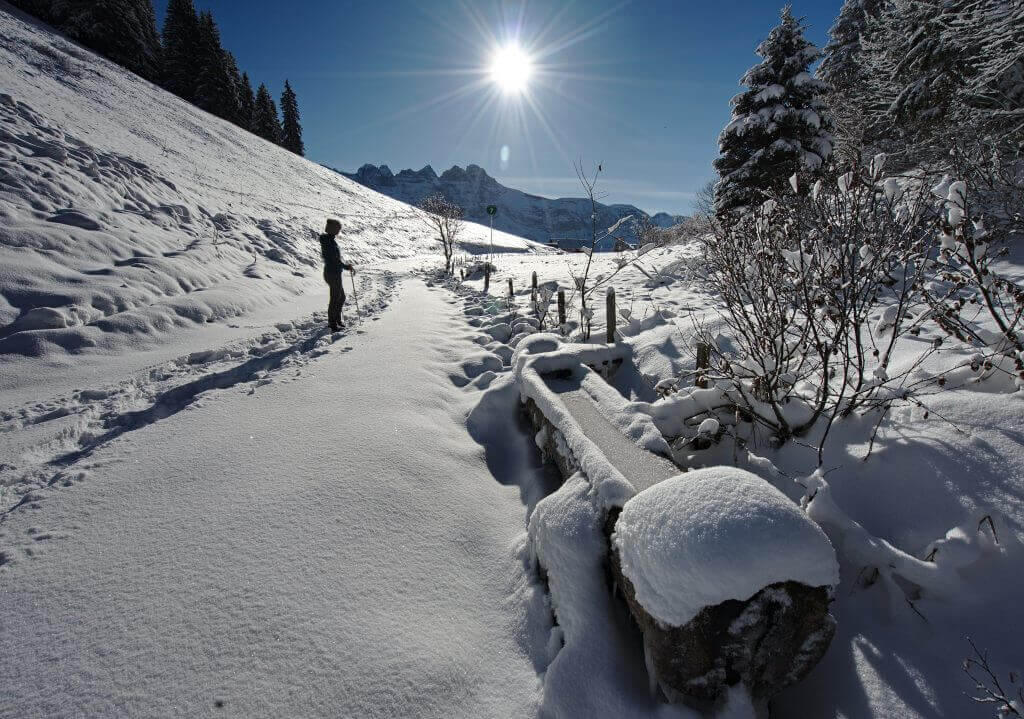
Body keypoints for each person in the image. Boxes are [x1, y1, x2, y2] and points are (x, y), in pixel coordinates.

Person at [319, 218, 355, 331]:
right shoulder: (328, 241)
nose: (339, 230)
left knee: (341, 297)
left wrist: (344, 266)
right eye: (338, 228)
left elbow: (335, 259)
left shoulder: (330, 240)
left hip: (334, 272)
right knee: (335, 298)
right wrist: (345, 266)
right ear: (332, 229)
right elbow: (334, 259)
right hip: (332, 273)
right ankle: (332, 324)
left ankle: (337, 319)